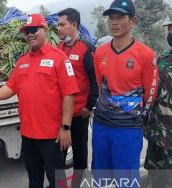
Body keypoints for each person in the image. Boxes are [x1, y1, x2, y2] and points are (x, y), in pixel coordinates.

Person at [0, 14, 79, 188]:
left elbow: (69, 94)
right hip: (28, 134)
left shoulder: (59, 59)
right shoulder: (22, 62)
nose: (29, 35)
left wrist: (65, 127)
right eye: (27, 31)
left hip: (52, 136)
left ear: (44, 30)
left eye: (33, 30)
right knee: (34, 178)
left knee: (57, 180)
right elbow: (10, 87)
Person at [92, 0, 158, 186]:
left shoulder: (145, 54)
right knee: (101, 176)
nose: (114, 22)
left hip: (128, 128)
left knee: (126, 179)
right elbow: (100, 85)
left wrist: (137, 118)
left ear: (132, 21)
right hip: (101, 125)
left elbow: (150, 93)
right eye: (111, 18)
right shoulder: (100, 52)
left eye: (120, 17)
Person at [57, 8, 99, 188]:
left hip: (79, 114)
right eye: (58, 24)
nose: (58, 28)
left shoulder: (87, 49)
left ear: (74, 25)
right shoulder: (58, 49)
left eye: (62, 24)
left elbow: (95, 81)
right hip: (60, 115)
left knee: (80, 157)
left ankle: (77, 185)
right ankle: (60, 185)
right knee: (58, 156)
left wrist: (89, 106)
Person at [143, 21, 172, 188]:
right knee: (156, 178)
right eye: (169, 29)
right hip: (158, 133)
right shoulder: (162, 58)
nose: (170, 32)